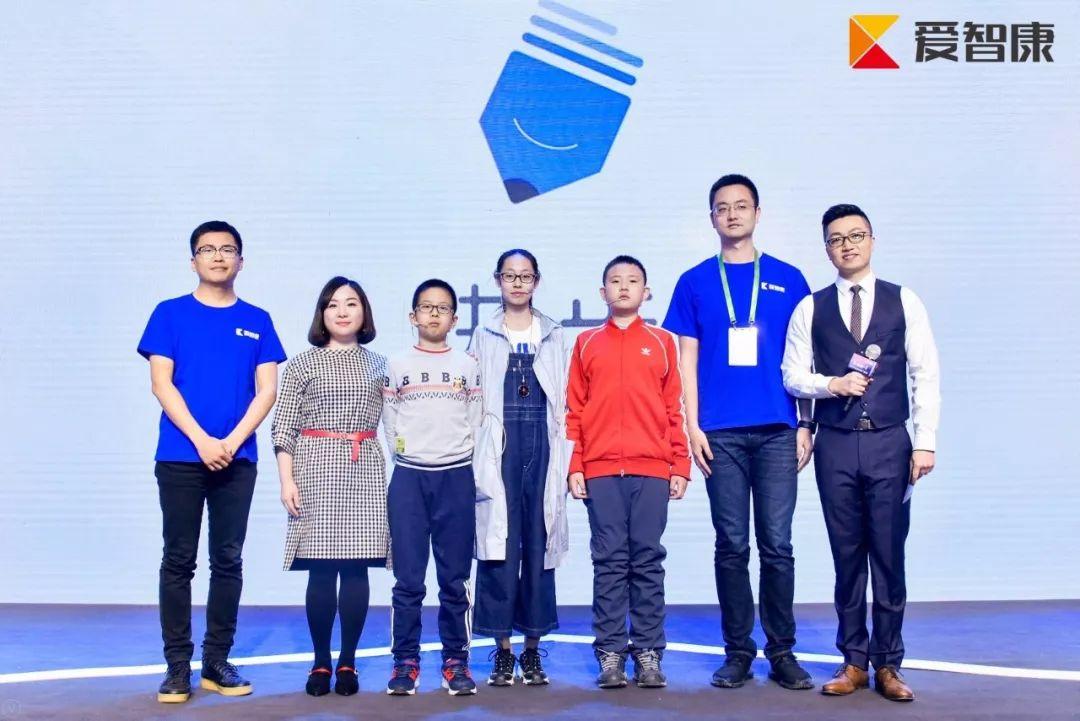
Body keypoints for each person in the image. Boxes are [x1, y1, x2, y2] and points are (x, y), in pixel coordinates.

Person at [781, 203, 940, 702]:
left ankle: (889, 663)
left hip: (890, 441)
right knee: (847, 556)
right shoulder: (811, 307)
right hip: (835, 444)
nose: (846, 245)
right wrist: (832, 384)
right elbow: (792, 375)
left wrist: (925, 440)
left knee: (888, 555)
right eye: (836, 239)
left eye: (856, 235)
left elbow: (924, 373)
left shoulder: (903, 300)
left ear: (872, 240)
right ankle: (853, 659)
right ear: (826, 248)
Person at [662, 174, 814, 690]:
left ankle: (783, 651)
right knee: (731, 545)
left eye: (741, 206)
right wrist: (692, 426)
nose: (732, 214)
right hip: (719, 434)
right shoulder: (694, 281)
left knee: (777, 545)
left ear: (757, 213)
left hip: (778, 429)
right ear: (712, 218)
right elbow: (686, 361)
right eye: (722, 207)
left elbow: (804, 358)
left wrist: (806, 423)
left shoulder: (789, 279)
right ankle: (738, 652)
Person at [137, 220, 286, 703]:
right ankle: (177, 666)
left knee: (228, 560)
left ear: (241, 260)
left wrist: (232, 441)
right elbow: (161, 384)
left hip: (237, 460)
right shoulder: (169, 314)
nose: (218, 256)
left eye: (227, 249)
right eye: (207, 249)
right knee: (178, 560)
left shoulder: (257, 319)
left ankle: (216, 661)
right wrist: (203, 441)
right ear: (193, 260)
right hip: (181, 456)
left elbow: (267, 390)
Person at [566, 255, 690, 690]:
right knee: (609, 562)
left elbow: (674, 408)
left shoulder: (662, 342)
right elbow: (574, 410)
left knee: (648, 561)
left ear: (646, 291)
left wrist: (680, 463)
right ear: (602, 292)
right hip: (600, 471)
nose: (624, 287)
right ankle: (611, 653)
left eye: (633, 280)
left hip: (652, 469)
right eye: (615, 281)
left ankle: (649, 651)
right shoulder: (585, 343)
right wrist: (575, 464)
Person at [271, 276, 388, 697]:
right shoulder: (302, 363)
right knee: (320, 568)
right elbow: (283, 427)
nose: (342, 311)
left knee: (356, 568)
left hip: (364, 467)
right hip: (314, 467)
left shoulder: (380, 364)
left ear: (364, 312)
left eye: (351, 303)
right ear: (321, 313)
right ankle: (321, 660)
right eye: (332, 304)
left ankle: (348, 661)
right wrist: (286, 480)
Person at [469, 249, 573, 686]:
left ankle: (532, 650)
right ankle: (502, 651)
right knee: (500, 547)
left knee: (538, 544)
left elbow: (566, 399)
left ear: (536, 281)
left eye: (525, 276)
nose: (517, 283)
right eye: (509, 276)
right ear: (498, 280)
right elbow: (474, 398)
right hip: (500, 447)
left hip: (543, 445)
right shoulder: (484, 333)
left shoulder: (553, 333)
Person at [383, 279, 483, 696]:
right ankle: (405, 662)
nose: (434, 314)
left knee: (454, 580)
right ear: (413, 316)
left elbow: (476, 418)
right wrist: (410, 454)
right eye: (427, 307)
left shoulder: (467, 365)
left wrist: (454, 454)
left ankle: (456, 661)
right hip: (409, 478)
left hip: (456, 477)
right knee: (408, 580)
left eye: (443, 308)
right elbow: (390, 420)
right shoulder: (396, 364)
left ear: (455, 319)